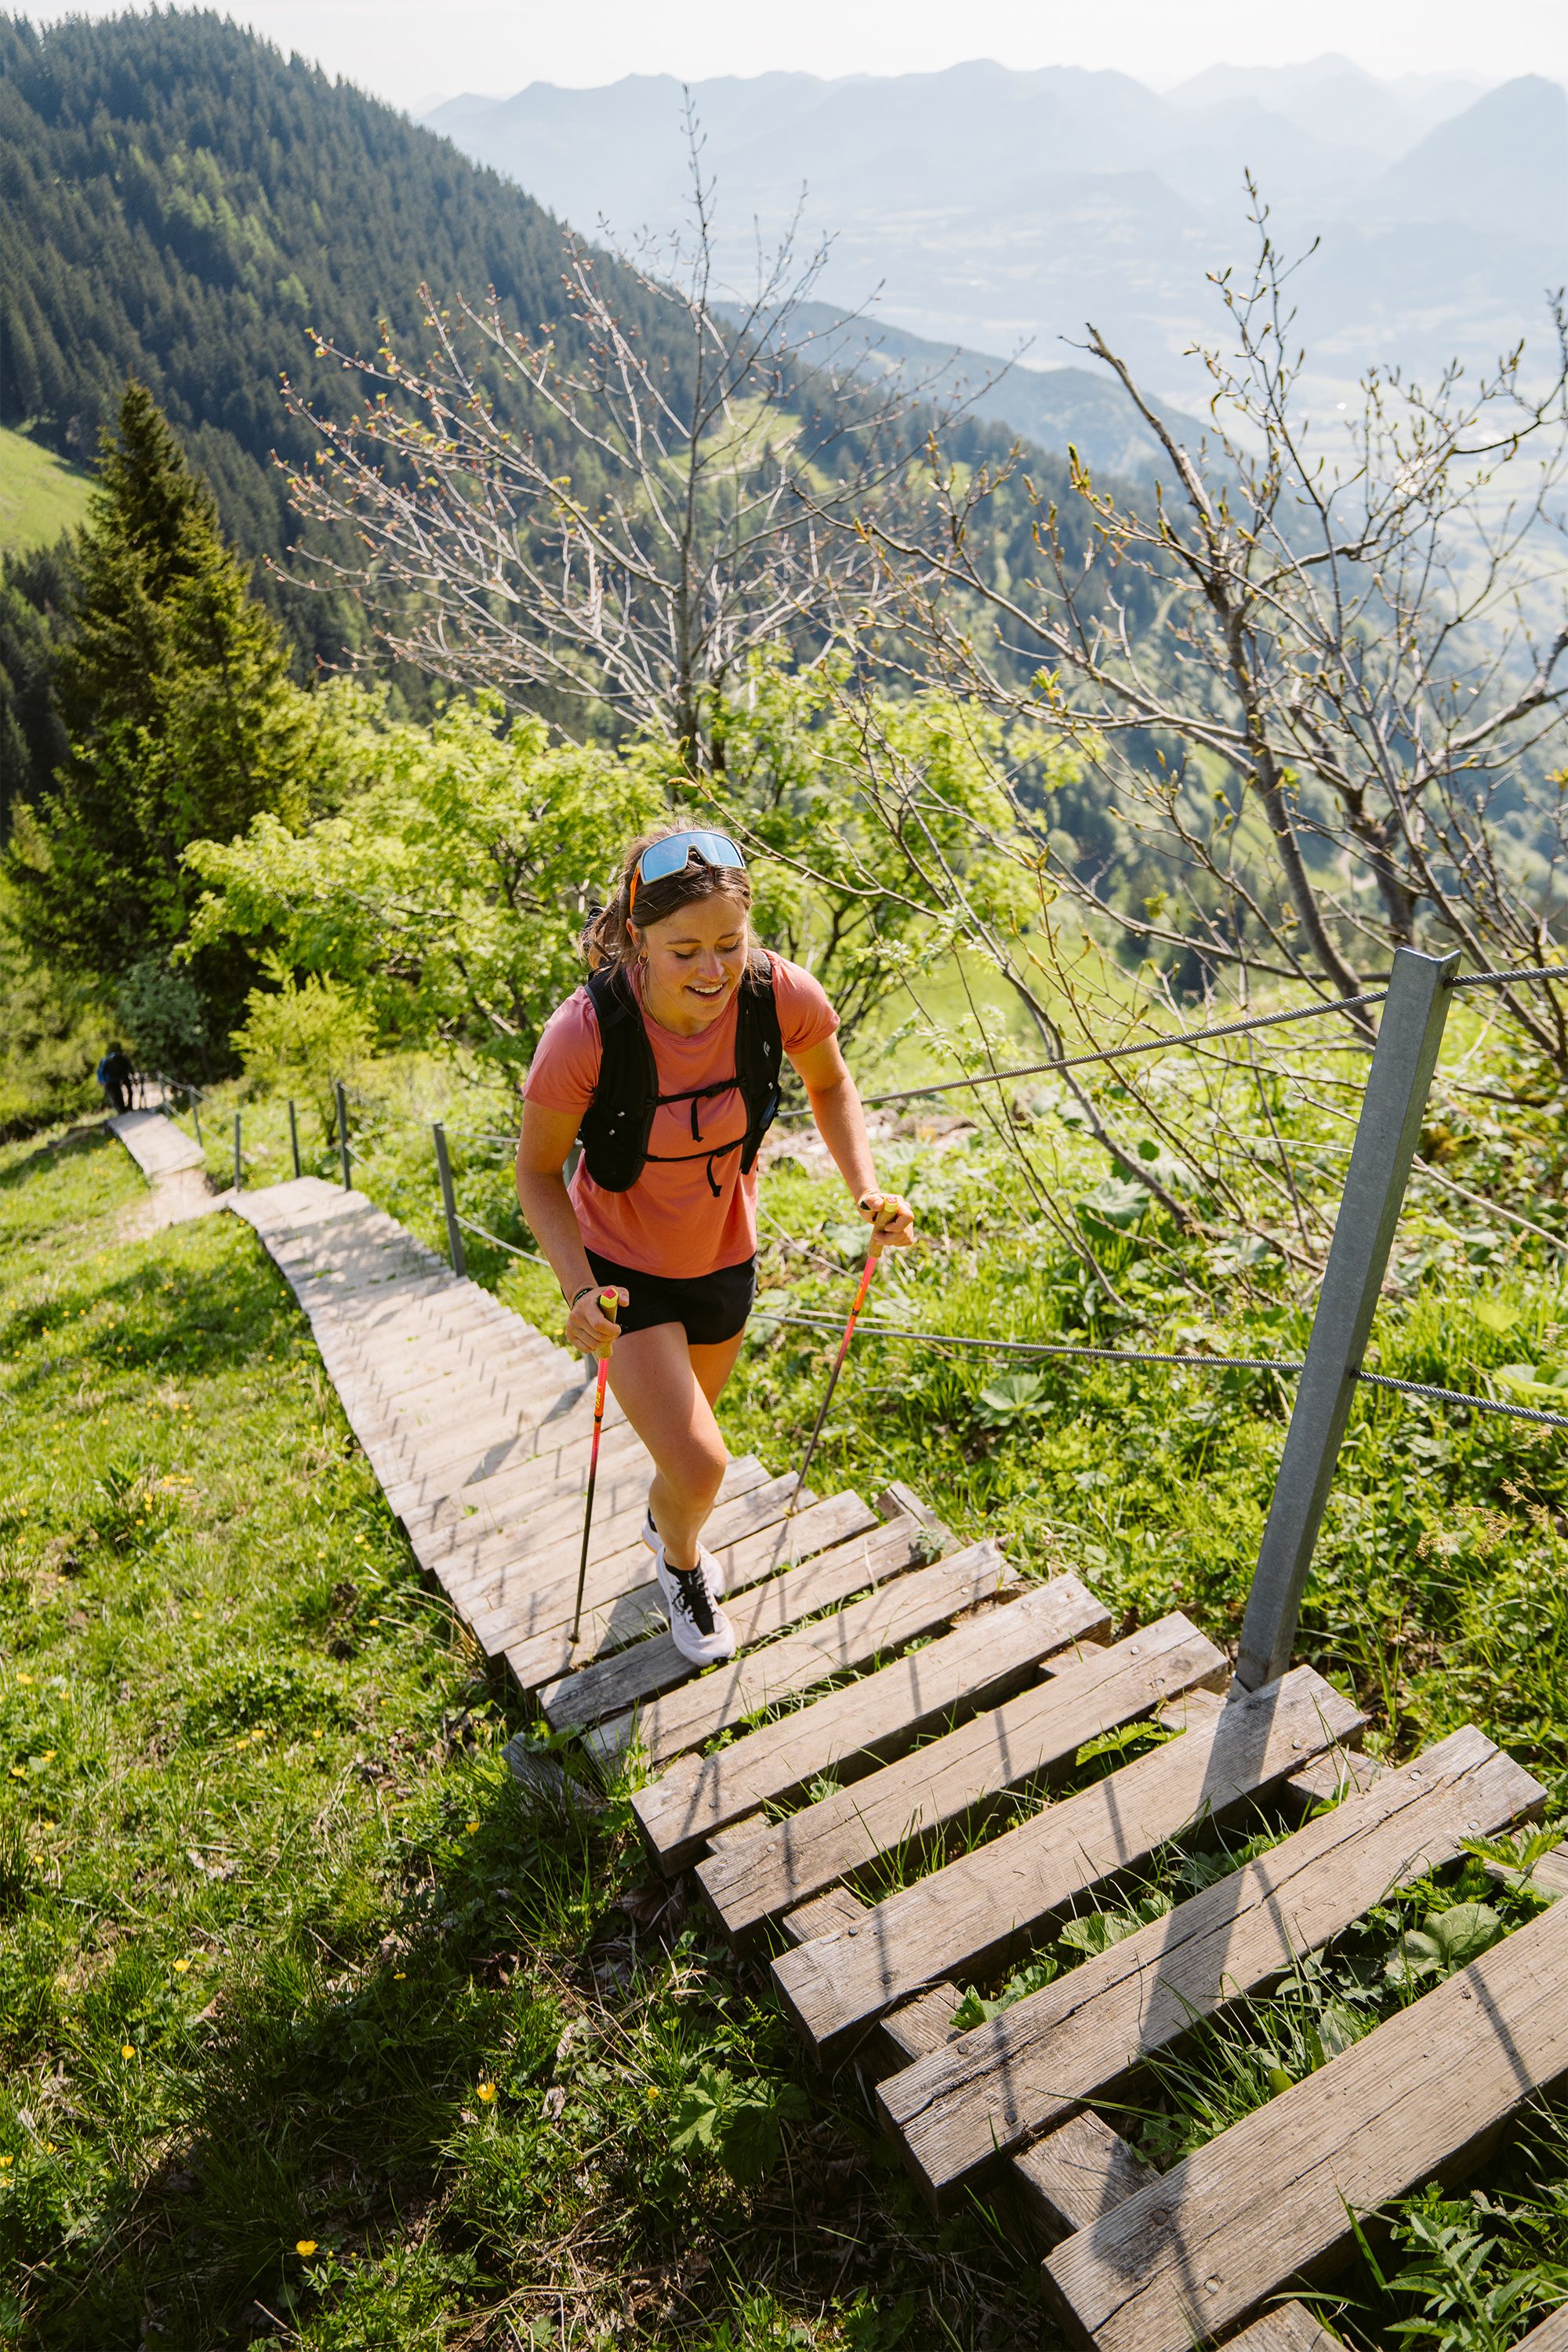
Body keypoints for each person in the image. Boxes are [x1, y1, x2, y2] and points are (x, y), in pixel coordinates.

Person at [517, 826, 915, 1665]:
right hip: (621, 1273)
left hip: (724, 1259)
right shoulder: (585, 1035)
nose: (712, 971)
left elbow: (830, 1081)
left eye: (729, 944)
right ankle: (683, 1563)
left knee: (684, 1457)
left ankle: (668, 1521)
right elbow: (538, 1175)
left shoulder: (778, 995)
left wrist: (865, 1190)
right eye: (683, 950)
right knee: (701, 1465)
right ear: (635, 939)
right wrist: (578, 1290)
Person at [96, 1043, 132, 1115]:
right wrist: (103, 1081)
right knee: (116, 1096)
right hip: (110, 1081)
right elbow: (102, 1071)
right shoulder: (108, 1061)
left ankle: (122, 1110)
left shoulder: (114, 1059)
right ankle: (122, 1110)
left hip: (114, 1081)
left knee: (117, 1095)